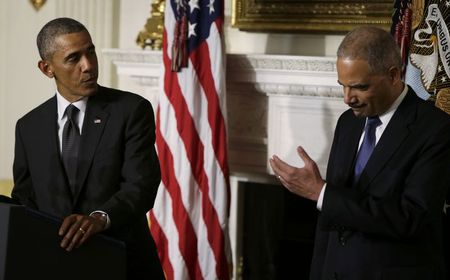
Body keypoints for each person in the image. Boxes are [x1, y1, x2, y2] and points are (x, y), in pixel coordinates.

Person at [270, 26, 450, 280]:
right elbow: (329, 224)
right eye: (342, 85)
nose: (347, 98)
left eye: (358, 87)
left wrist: (320, 192)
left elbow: (411, 219)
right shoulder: (348, 122)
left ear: (394, 75)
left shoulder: (436, 130)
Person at [11, 17, 164, 279]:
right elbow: (25, 201)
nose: (89, 66)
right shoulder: (28, 127)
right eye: (73, 58)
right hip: (56, 267)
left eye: (90, 52)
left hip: (124, 264)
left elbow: (141, 185)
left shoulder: (131, 110)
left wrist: (99, 218)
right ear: (47, 68)